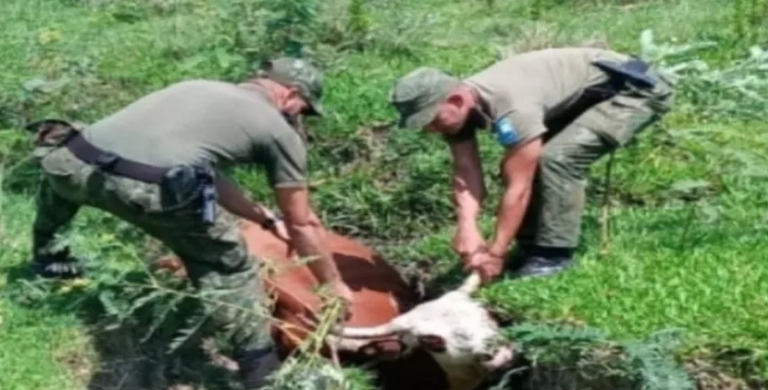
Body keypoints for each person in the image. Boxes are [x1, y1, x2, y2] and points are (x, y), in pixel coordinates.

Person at [26, 56, 353, 389]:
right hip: (142, 189)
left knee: (65, 184)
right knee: (231, 267)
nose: (301, 117)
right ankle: (262, 373)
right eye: (304, 109)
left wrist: (265, 218)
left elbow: (203, 171)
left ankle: (48, 258)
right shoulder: (278, 130)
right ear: (291, 93)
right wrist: (332, 284)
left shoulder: (198, 86)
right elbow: (302, 223)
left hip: (67, 160)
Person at [388, 47, 676, 283]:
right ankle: (529, 249)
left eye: (433, 120)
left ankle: (553, 255)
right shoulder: (456, 115)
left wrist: (495, 253)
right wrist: (467, 228)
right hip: (581, 96)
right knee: (519, 162)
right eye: (424, 126)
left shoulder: (512, 106)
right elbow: (466, 172)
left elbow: (519, 188)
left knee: (558, 158)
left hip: (634, 90)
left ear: (456, 99)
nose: (431, 130)